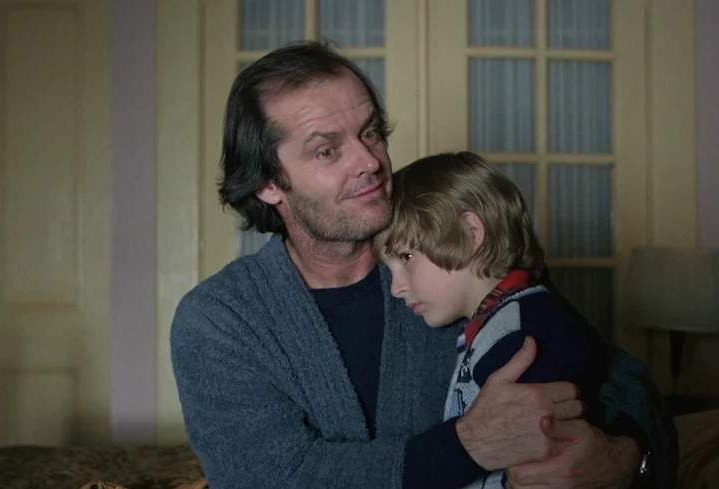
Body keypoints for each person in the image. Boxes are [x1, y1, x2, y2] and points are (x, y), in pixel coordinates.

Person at [170, 41, 677, 489]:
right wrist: (469, 445)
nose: (370, 161)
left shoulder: (458, 258)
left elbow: (625, 383)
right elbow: (268, 477)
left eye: (370, 132)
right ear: (267, 184)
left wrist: (625, 459)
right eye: (327, 150)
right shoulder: (219, 319)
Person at [373, 151, 611, 488]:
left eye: (406, 257)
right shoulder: (501, 319)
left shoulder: (520, 330)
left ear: (471, 233)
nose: (396, 287)